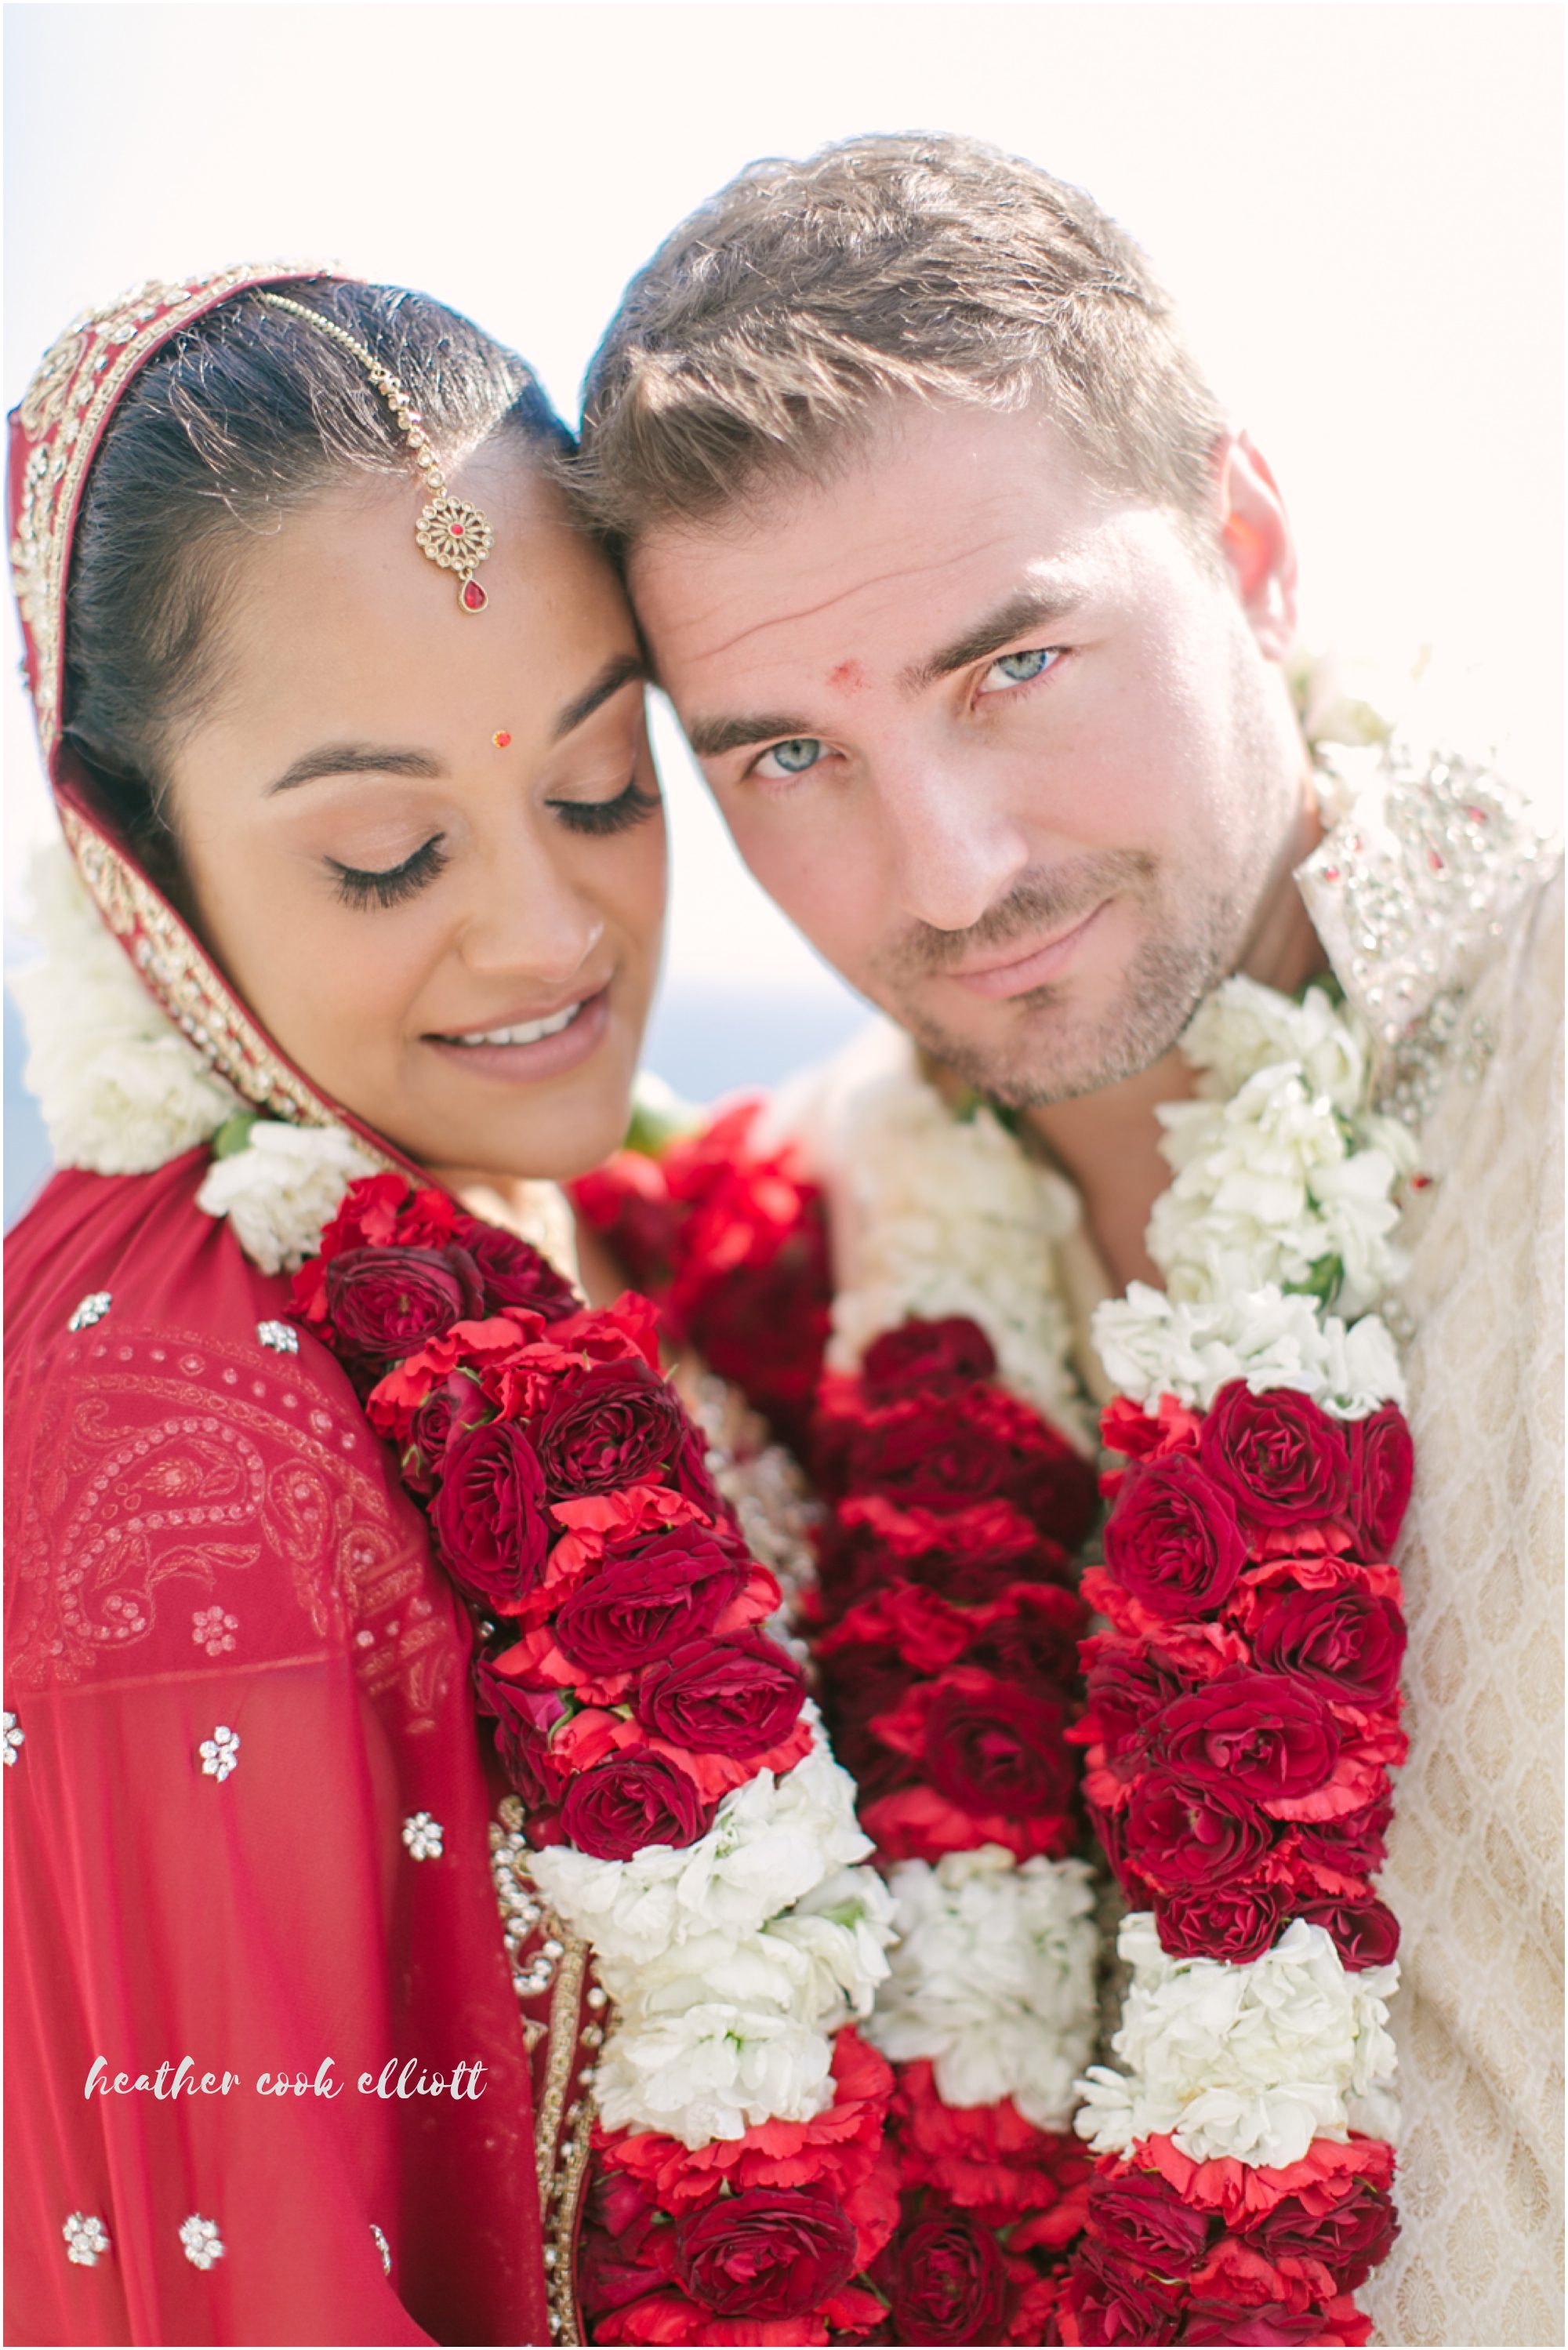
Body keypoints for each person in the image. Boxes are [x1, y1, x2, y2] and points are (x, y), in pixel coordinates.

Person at [571, 133, 1564, 2348]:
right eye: (788, 758)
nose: (946, 873)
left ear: (1250, 550)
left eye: (1013, 665)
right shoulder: (793, 1263)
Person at [3, 264, 887, 2350]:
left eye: (598, 787)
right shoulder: (167, 1451)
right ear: (133, 858)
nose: (546, 932)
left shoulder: (625, 1225)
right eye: (393, 854)